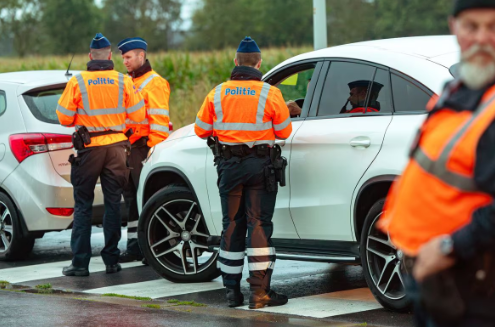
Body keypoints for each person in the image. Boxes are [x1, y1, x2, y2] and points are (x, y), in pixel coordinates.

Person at [379, 1, 495, 325]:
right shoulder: (455, 92)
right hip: (438, 283)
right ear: (454, 27)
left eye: (493, 27)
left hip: (472, 285)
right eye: (472, 26)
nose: (483, 38)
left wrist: (447, 247)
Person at [194, 36, 292, 309]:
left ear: (235, 62)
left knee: (232, 225)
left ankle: (231, 293)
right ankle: (260, 294)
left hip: (228, 166)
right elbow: (284, 132)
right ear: (259, 64)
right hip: (261, 167)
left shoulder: (217, 93)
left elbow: (201, 129)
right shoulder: (270, 93)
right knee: (258, 224)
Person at [57, 33, 146, 276]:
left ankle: (80, 264)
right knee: (113, 204)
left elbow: (64, 117)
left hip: (89, 149)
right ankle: (111, 262)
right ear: (109, 56)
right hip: (118, 149)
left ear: (89, 57)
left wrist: (83, 118)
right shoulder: (123, 81)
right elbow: (139, 116)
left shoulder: (78, 82)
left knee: (84, 205)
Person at [117, 37, 171, 264]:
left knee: (146, 198)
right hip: (128, 148)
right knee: (131, 200)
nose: (125, 62)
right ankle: (134, 247)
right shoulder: (129, 81)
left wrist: (154, 151)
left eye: (128, 57)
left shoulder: (155, 83)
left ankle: (153, 248)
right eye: (123, 58)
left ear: (141, 56)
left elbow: (159, 122)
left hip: (145, 149)